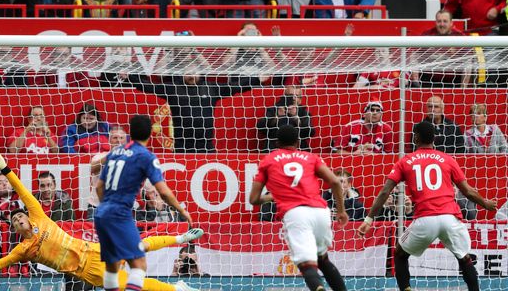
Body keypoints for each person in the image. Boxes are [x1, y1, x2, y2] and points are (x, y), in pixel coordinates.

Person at [0, 147, 202, 291]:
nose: (19, 219)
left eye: (21, 215)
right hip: (88, 272)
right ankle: (178, 289)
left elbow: (23, 191)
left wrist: (5, 168)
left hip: (94, 250)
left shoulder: (40, 218)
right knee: (136, 286)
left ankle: (180, 240)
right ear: (15, 228)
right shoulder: (23, 250)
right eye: (15, 220)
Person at [358, 121, 497, 291]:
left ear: (415, 137)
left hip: (425, 219)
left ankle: (406, 289)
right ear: (435, 138)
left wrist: (368, 219)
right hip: (450, 217)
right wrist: (485, 203)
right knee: (464, 258)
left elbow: (384, 192)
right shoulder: (448, 159)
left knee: (400, 254)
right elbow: (468, 192)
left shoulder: (406, 161)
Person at [95, 114, 195, 291]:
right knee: (139, 264)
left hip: (102, 213)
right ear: (150, 133)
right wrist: (182, 210)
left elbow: (99, 187)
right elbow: (163, 192)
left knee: (112, 265)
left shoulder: (115, 153)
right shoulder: (146, 157)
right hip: (120, 214)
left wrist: (107, 208)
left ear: (130, 134)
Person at [250, 125, 348, 291]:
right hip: (321, 212)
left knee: (307, 265)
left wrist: (272, 196)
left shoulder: (268, 160)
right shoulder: (310, 157)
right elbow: (336, 182)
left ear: (276, 143)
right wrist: (341, 210)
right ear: (298, 141)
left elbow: (253, 199)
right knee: (323, 260)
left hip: (296, 214)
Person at [122, 69, 255, 153]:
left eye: (194, 71)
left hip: (206, 146)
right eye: (187, 71)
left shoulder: (211, 88)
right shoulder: (173, 88)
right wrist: (129, 77)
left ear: (200, 72)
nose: (191, 74)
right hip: (182, 147)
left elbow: (236, 87)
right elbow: (148, 86)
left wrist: (257, 79)